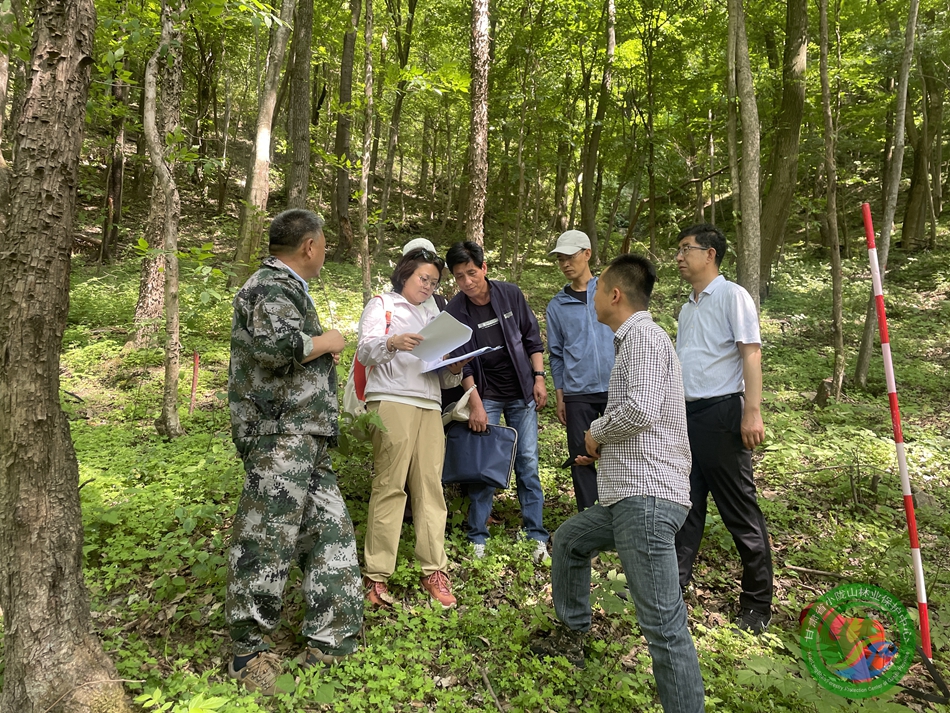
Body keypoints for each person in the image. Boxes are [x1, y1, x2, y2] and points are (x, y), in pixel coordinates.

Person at [531, 254, 705, 713]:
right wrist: (602, 453)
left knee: (663, 626)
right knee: (569, 540)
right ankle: (572, 634)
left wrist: (596, 432)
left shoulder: (643, 337)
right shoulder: (632, 341)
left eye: (597, 289)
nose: (591, 298)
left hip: (646, 501)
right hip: (627, 494)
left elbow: (640, 410)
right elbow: (647, 420)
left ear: (613, 294)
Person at [226, 209, 363, 695]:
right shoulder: (268, 286)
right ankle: (247, 650)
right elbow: (273, 346)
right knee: (266, 536)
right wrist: (328, 340)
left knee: (330, 530)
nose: (325, 253)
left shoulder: (288, 288)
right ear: (309, 246)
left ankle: (330, 637)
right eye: (323, 245)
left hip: (307, 434)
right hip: (278, 433)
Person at [673, 223, 773, 634]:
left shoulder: (733, 296)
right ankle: (672, 588)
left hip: (723, 416)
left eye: (686, 249)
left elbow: (750, 354)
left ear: (710, 253)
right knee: (686, 508)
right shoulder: (688, 305)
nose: (679, 257)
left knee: (739, 511)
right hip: (687, 417)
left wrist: (752, 411)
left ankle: (757, 604)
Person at [358, 248, 466, 609]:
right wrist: (392, 341)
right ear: (405, 273)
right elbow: (365, 351)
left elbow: (446, 378)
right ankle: (376, 576)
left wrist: (454, 365)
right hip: (391, 398)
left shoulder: (435, 312)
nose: (428, 286)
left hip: (430, 402)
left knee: (430, 487)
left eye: (434, 282)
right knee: (389, 485)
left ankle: (434, 569)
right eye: (423, 278)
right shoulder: (382, 306)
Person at [444, 241, 549, 562]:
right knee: (485, 464)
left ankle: (536, 534)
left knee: (527, 461)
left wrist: (539, 377)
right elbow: (462, 362)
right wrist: (474, 401)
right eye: (459, 276)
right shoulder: (455, 310)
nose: (467, 282)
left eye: (472, 273)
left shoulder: (510, 295)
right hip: (484, 394)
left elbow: (531, 336)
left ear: (484, 267)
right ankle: (478, 535)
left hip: (521, 391)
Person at [545, 230, 615, 511]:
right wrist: (561, 395)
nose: (565, 264)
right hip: (577, 393)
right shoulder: (557, 306)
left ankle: (620, 514)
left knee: (617, 453)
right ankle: (590, 519)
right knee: (581, 457)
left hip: (616, 387)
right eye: (560, 259)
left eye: (570, 257)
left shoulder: (610, 291)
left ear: (587, 254)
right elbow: (557, 354)